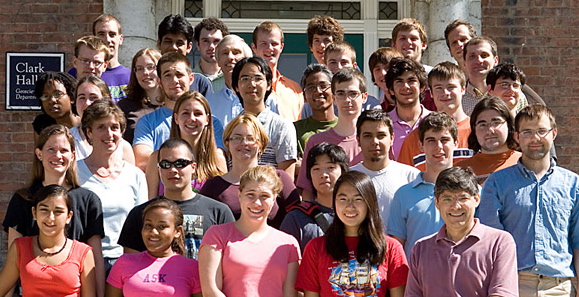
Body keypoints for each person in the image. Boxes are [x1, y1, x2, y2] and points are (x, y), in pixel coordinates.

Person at [478, 104, 579, 296]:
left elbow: (578, 240)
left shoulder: (573, 184)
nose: (535, 138)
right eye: (527, 132)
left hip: (560, 286)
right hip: (513, 283)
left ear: (554, 133)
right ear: (517, 137)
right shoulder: (497, 183)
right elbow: (490, 241)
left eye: (542, 131)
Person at [2, 124, 105, 297]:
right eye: (51, 149)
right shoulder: (22, 199)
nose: (58, 156)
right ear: (39, 154)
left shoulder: (89, 200)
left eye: (64, 150)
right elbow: (14, 260)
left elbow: (96, 259)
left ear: (72, 156)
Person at [405, 167, 518, 297]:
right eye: (447, 199)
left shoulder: (500, 243)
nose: (456, 206)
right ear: (437, 202)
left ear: (476, 199)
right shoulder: (421, 249)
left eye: (463, 198)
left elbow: (502, 293)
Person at [296, 171, 408, 296]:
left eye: (358, 199)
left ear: (369, 203)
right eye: (343, 199)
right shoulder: (315, 247)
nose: (350, 206)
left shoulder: (391, 247)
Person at [118, 138, 234, 259]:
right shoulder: (140, 214)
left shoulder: (219, 212)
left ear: (193, 167)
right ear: (159, 169)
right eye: (165, 165)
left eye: (180, 164)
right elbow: (131, 265)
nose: (173, 170)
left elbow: (231, 259)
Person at [199, 165, 301, 297]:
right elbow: (211, 291)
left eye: (264, 196)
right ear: (240, 195)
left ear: (274, 199)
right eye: (250, 195)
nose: (257, 203)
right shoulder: (217, 235)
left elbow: (290, 294)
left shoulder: (288, 243)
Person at [77, 100, 148, 274]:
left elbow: (141, 223)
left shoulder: (135, 175)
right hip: (85, 263)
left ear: (122, 132)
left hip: (125, 262)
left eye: (114, 127)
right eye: (101, 127)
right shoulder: (74, 172)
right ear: (89, 133)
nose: (109, 134)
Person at [200, 113, 299, 228]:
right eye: (237, 138)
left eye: (251, 138)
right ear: (227, 143)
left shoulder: (279, 178)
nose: (244, 143)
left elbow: (297, 218)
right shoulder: (213, 186)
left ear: (261, 144)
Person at [132, 51, 224, 171]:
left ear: (191, 78)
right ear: (159, 81)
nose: (174, 80)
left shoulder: (211, 122)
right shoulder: (147, 122)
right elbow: (142, 160)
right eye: (168, 75)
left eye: (179, 74)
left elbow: (217, 158)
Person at [0, 185, 96, 297]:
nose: (51, 218)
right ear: (34, 213)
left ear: (69, 216)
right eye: (44, 210)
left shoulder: (83, 253)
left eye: (58, 212)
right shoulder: (20, 248)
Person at [388, 112, 459, 259]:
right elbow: (396, 249)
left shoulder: (473, 193)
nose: (438, 147)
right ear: (421, 145)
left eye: (444, 140)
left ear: (456, 143)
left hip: (463, 278)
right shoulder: (404, 195)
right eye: (431, 140)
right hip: (416, 279)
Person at [106, 199, 202, 297]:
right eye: (148, 225)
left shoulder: (192, 267)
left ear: (177, 231)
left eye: (162, 226)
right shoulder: (124, 263)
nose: (153, 232)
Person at [296, 67, 367, 200]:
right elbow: (307, 191)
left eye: (353, 94)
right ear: (334, 98)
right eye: (341, 94)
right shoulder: (316, 141)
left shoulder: (373, 141)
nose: (347, 100)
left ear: (364, 97)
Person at [145, 91, 227, 197]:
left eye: (198, 113)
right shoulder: (157, 158)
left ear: (207, 119)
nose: (192, 118)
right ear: (176, 118)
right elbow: (150, 203)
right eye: (185, 113)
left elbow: (223, 202)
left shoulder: (217, 158)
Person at [397, 61, 473, 170]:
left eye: (451, 87)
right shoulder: (416, 137)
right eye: (438, 88)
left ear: (463, 89)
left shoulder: (477, 131)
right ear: (431, 93)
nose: (445, 92)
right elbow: (404, 178)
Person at [351, 110, 419, 229]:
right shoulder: (348, 177)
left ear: (392, 138)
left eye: (381, 135)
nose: (375, 142)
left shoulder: (411, 176)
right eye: (368, 136)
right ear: (358, 139)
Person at [232, 56, 297, 177]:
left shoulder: (282, 126)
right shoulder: (232, 128)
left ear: (268, 85)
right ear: (236, 87)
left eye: (258, 78)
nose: (252, 84)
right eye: (245, 78)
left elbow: (286, 177)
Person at [280, 142, 349, 251]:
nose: (323, 174)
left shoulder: (356, 213)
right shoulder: (296, 218)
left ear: (343, 172)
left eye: (330, 167)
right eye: (316, 169)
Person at [455, 96, 521, 185]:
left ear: (509, 125)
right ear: (474, 129)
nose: (490, 130)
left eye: (496, 122)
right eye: (482, 124)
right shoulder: (460, 170)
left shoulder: (524, 163)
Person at [73, 75, 135, 163]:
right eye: (82, 98)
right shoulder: (66, 140)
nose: (87, 103)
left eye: (93, 97)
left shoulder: (122, 147)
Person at [251, 21, 304, 121]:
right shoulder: (248, 87)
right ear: (254, 47)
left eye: (274, 44)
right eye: (264, 44)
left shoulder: (295, 89)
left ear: (281, 47)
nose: (269, 48)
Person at [206, 34, 258, 127]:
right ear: (218, 61)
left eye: (236, 52)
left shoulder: (263, 99)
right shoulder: (209, 103)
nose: (230, 57)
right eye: (225, 53)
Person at [156, 14, 213, 97]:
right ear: (159, 44)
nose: (173, 47)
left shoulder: (200, 84)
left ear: (189, 47)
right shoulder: (148, 80)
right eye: (168, 42)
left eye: (179, 43)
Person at [385, 58, 430, 160]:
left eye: (411, 81)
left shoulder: (435, 121)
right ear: (391, 90)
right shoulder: (383, 124)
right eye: (399, 82)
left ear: (422, 87)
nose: (406, 86)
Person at [118, 48, 163, 144]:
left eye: (151, 67)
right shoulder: (124, 107)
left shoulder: (172, 104)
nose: (145, 72)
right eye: (140, 68)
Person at [294, 64, 337, 156]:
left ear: (334, 91)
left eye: (323, 86)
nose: (318, 91)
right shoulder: (294, 130)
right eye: (311, 88)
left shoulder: (346, 127)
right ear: (304, 96)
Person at [92, 14, 131, 102]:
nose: (107, 39)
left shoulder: (132, 77)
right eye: (101, 34)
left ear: (120, 39)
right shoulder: (83, 73)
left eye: (112, 34)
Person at [32, 72, 81, 139]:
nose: (52, 100)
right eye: (45, 96)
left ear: (72, 97)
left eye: (58, 94)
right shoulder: (42, 125)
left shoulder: (86, 124)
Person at [462, 36, 500, 115]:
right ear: (464, 62)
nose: (479, 60)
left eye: (484, 55)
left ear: (495, 60)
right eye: (472, 56)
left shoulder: (510, 94)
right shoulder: (457, 98)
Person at [193, 17, 229, 91]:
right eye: (205, 41)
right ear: (198, 45)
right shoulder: (188, 79)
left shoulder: (233, 78)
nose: (211, 46)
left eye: (216, 41)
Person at [368, 47, 403, 112]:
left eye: (387, 68)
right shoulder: (378, 109)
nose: (383, 73)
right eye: (377, 69)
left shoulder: (420, 101)